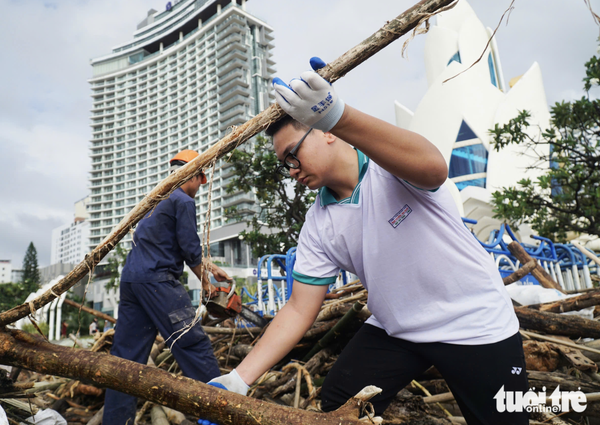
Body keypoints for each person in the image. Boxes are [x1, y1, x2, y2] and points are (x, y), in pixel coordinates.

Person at [207, 58, 529, 424]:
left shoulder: (388, 168)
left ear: (325, 130)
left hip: (474, 323)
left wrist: (339, 115)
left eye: (293, 156)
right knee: (337, 406)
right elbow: (299, 309)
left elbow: (434, 167)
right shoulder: (319, 223)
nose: (292, 171)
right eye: (285, 165)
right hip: (399, 328)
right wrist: (239, 378)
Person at [103, 150, 230, 425]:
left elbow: (171, 245)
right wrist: (206, 284)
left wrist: (208, 266)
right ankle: (223, 415)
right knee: (193, 344)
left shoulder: (155, 201)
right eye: (200, 181)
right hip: (158, 282)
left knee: (125, 360)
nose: (199, 188)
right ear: (193, 175)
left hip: (133, 280)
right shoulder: (183, 200)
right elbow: (189, 247)